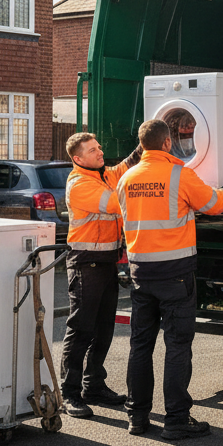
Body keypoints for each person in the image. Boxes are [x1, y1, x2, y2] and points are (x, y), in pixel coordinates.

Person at [117, 119, 223, 439]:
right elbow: (214, 204)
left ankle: (137, 417)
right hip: (175, 274)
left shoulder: (126, 178)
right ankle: (176, 420)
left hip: (140, 274)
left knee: (140, 346)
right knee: (177, 347)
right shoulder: (179, 175)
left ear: (142, 144)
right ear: (166, 144)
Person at [61, 132, 142, 419]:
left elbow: (123, 169)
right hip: (86, 263)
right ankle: (68, 394)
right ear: (77, 158)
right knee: (81, 329)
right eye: (92, 150)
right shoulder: (80, 183)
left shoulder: (103, 174)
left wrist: (144, 146)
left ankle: (93, 386)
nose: (99, 152)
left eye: (99, 147)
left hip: (106, 263)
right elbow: (115, 203)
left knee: (104, 328)